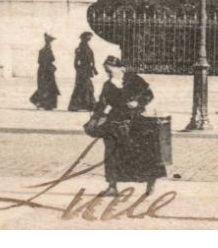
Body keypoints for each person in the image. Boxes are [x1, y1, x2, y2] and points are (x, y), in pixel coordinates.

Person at [91, 56, 166, 197]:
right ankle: (112, 186)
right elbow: (103, 103)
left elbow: (149, 94)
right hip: (115, 122)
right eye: (106, 71)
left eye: (110, 70)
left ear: (121, 68)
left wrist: (138, 103)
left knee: (144, 152)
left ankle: (151, 184)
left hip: (135, 120)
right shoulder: (108, 85)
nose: (108, 73)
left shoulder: (134, 80)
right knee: (111, 153)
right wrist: (97, 117)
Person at [68, 31, 98, 111]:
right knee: (83, 86)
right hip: (83, 70)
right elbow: (77, 61)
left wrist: (92, 68)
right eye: (88, 37)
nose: (90, 38)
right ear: (84, 38)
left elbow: (90, 59)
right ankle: (79, 106)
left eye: (90, 37)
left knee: (86, 87)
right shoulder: (82, 47)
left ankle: (87, 105)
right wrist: (79, 69)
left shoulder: (85, 46)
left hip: (85, 70)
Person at [30, 33, 60, 110]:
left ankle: (42, 103)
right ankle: (40, 102)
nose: (51, 45)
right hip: (47, 71)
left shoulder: (41, 51)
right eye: (50, 43)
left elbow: (39, 61)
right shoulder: (48, 50)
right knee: (48, 87)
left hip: (43, 70)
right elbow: (53, 59)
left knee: (44, 87)